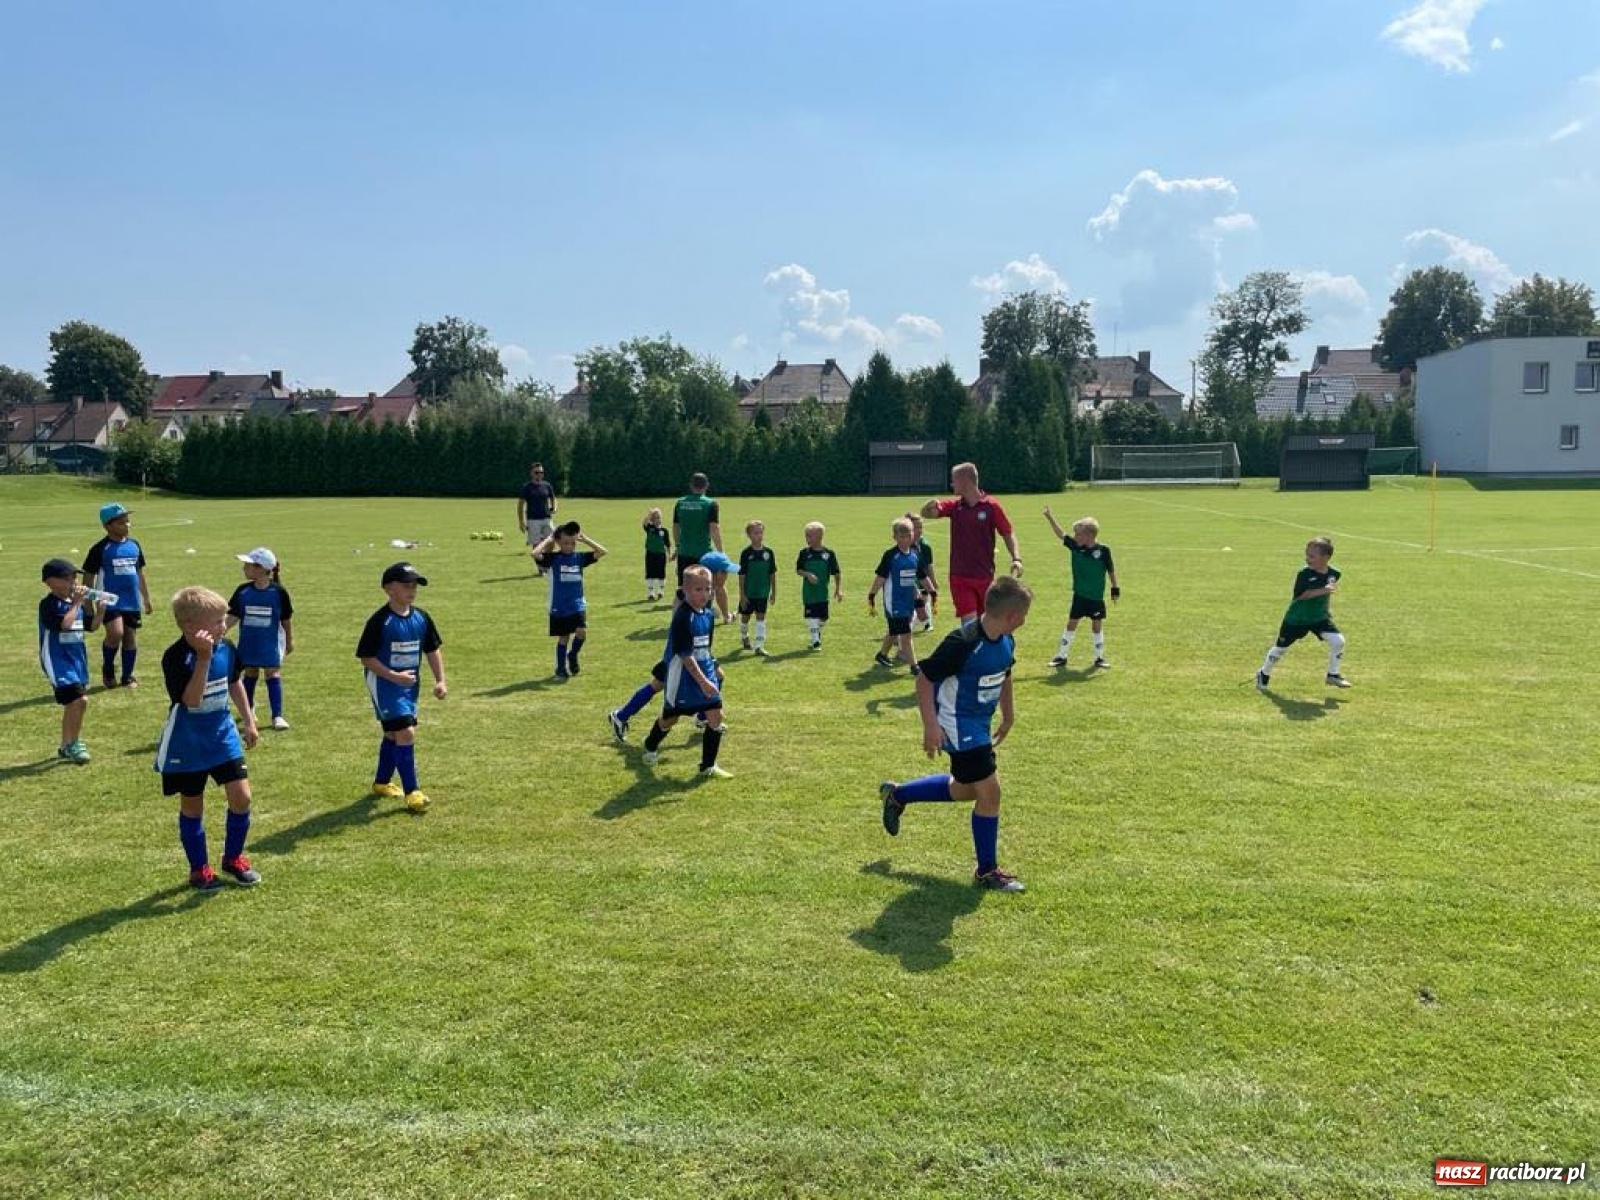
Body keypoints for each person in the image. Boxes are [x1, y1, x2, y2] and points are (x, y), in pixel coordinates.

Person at [878, 576, 1033, 893]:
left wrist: (1009, 714)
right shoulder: (963, 642)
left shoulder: (1006, 640)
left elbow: (1006, 673)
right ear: (1012, 616)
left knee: (966, 790)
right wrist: (930, 726)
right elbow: (924, 679)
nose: (1025, 621)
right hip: (957, 724)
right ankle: (987, 871)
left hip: (979, 724)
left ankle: (898, 794)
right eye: (1024, 615)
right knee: (990, 792)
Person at [155, 586, 261, 891]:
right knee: (193, 806)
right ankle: (199, 869)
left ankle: (233, 858)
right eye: (216, 621)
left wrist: (250, 720)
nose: (223, 626)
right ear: (190, 626)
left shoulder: (227, 647)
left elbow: (235, 682)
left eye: (224, 619)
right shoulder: (176, 657)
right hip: (188, 743)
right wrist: (203, 659)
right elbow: (192, 700)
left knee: (242, 797)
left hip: (223, 734)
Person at [357, 562, 448, 813]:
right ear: (389, 589)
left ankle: (381, 782)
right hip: (384, 683)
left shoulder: (421, 617)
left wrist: (440, 680)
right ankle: (413, 791)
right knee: (406, 732)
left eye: (415, 585)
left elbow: (431, 649)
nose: (412, 589)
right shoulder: (380, 621)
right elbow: (366, 657)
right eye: (406, 585)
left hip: (408, 686)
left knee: (393, 734)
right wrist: (393, 676)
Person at [638, 565, 730, 778]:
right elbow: (685, 656)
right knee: (670, 719)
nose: (705, 594)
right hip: (682, 678)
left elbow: (706, 647)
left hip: (704, 672)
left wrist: (713, 668)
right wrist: (703, 682)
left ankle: (708, 766)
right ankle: (651, 744)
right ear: (685, 590)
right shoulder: (682, 617)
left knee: (715, 716)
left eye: (708, 589)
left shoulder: (707, 615)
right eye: (698, 589)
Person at [920, 462, 1021, 624]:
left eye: (954, 480)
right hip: (959, 577)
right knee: (969, 625)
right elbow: (929, 513)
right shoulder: (954, 506)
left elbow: (1008, 533)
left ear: (965, 481)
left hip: (984, 576)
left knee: (987, 624)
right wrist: (927, 508)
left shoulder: (991, 506)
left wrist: (1016, 558)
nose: (951, 483)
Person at [1256, 536, 1351, 692]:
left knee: (1338, 641)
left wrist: (1327, 609)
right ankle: (1263, 673)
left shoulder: (1334, 573)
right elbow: (1300, 595)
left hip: (1318, 618)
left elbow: (1328, 593)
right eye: (1307, 555)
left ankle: (1332, 675)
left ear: (1325, 557)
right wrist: (1324, 590)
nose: (1308, 558)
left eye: (1312, 556)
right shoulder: (1304, 574)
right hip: (1297, 619)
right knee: (1280, 649)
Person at [82, 501, 153, 688]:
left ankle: (128, 676)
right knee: (116, 633)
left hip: (131, 600)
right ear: (107, 526)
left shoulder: (134, 545)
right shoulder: (100, 549)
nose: (127, 525)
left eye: (128, 521)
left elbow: (139, 573)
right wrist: (88, 604)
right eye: (121, 523)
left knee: (130, 636)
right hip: (109, 600)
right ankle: (108, 669)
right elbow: (89, 577)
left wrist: (146, 598)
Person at [225, 547, 295, 729]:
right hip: (249, 641)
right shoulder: (242, 591)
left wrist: (289, 640)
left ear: (261, 568)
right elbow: (233, 615)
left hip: (270, 642)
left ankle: (277, 716)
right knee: (250, 673)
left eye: (247, 565)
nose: (243, 569)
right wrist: (220, 630)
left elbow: (286, 619)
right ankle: (249, 709)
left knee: (272, 673)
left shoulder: (278, 592)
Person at [38, 558, 100, 764]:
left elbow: (91, 627)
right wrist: (76, 604)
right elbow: (64, 625)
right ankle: (74, 743)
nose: (73, 582)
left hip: (77, 661)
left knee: (74, 704)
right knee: (79, 700)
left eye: (74, 577)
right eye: (67, 578)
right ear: (50, 582)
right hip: (58, 661)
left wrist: (101, 609)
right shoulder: (49, 605)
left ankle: (66, 745)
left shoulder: (74, 604)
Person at [1042, 509, 1119, 670]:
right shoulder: (1075, 547)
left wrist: (1115, 588)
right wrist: (1050, 517)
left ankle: (1099, 658)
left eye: (1078, 534)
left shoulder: (1103, 550)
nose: (1075, 537)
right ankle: (1061, 656)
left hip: (1096, 597)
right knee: (1071, 624)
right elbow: (1060, 534)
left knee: (1096, 625)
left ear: (1089, 536)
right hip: (1080, 595)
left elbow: (1110, 569)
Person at [532, 521, 607, 678]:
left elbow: (602, 552)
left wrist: (585, 539)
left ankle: (572, 654)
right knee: (564, 637)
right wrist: (549, 539)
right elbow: (535, 554)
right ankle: (560, 668)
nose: (570, 546)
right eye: (565, 543)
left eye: (573, 543)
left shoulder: (579, 557)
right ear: (559, 542)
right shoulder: (553, 559)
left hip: (577, 604)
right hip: (559, 605)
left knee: (582, 631)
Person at [868, 517, 932, 673]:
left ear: (913, 534)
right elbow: (880, 578)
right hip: (894, 601)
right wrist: (872, 594)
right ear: (894, 537)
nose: (905, 539)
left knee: (896, 629)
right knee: (905, 633)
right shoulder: (890, 556)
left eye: (908, 535)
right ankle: (914, 666)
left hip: (908, 599)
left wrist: (931, 591)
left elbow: (921, 575)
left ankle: (882, 654)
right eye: (901, 536)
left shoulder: (915, 554)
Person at [795, 521, 842, 650]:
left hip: (823, 593)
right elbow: (798, 570)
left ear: (820, 537)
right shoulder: (804, 553)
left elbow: (836, 573)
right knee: (811, 616)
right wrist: (808, 574)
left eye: (810, 536)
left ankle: (815, 634)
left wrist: (838, 590)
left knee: (823, 618)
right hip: (809, 593)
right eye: (806, 535)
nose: (807, 538)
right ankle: (816, 641)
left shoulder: (829, 554)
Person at [672, 471, 723, 588]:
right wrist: (720, 552)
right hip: (703, 552)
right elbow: (714, 528)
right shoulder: (711, 504)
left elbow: (675, 527)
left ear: (691, 485)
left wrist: (678, 545)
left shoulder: (680, 503)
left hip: (684, 551)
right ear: (707, 485)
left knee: (684, 586)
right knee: (703, 587)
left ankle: (682, 606)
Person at [737, 519, 777, 656]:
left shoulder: (769, 553)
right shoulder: (746, 553)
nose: (759, 535)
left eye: (761, 532)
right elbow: (741, 575)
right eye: (755, 533)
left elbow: (772, 573)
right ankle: (744, 636)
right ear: (749, 535)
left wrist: (773, 592)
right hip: (749, 593)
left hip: (762, 592)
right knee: (745, 618)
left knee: (761, 618)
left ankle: (759, 646)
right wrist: (742, 594)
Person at [517, 462, 559, 575]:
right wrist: (521, 522)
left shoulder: (547, 485)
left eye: (541, 472)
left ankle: (545, 561)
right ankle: (541, 567)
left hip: (547, 519)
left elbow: (553, 498)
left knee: (552, 541)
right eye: (537, 472)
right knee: (536, 545)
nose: (539, 475)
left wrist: (554, 507)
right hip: (533, 520)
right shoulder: (527, 488)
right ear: (531, 473)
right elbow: (520, 505)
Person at [907, 511, 938, 633]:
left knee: (922, 602)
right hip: (907, 581)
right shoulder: (904, 543)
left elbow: (929, 565)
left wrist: (933, 581)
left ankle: (926, 623)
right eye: (915, 527)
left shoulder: (924, 546)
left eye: (920, 527)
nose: (919, 530)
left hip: (921, 580)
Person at [641, 507, 673, 601]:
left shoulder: (664, 531)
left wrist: (669, 554)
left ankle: (660, 591)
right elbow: (644, 523)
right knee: (650, 572)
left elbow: (667, 544)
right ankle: (650, 593)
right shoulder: (649, 528)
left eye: (658, 517)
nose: (657, 519)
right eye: (654, 517)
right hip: (650, 553)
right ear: (652, 519)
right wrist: (649, 514)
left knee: (661, 573)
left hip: (661, 554)